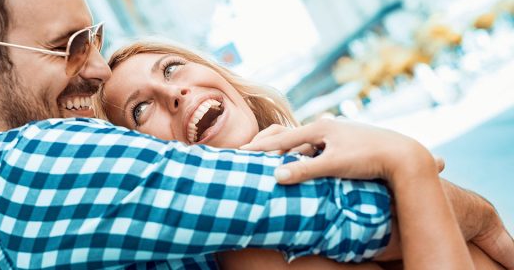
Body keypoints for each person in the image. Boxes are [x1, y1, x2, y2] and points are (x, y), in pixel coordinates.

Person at [0, 0, 512, 269]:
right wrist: (414, 169)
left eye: (93, 38)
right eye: (66, 45)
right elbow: (330, 207)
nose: (92, 69)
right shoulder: (36, 168)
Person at [96, 41, 511, 269]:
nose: (174, 92)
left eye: (171, 68)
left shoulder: (321, 161)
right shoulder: (246, 242)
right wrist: (407, 163)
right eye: (139, 109)